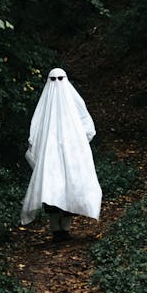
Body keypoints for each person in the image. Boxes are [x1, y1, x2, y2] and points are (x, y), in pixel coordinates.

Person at [20, 67, 102, 241]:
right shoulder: (46, 105)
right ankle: (56, 229)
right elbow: (36, 129)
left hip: (70, 153)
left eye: (60, 79)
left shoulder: (72, 102)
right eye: (53, 79)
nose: (57, 83)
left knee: (69, 186)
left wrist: (78, 143)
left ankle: (64, 228)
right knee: (52, 187)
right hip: (51, 156)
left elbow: (87, 125)